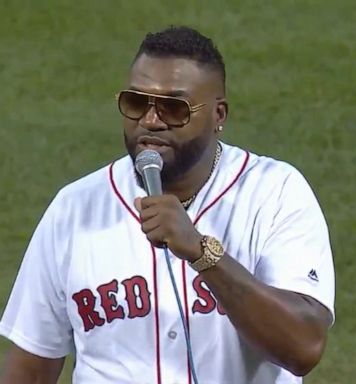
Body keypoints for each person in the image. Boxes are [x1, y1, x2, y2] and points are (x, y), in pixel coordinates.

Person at [0, 26, 335, 384]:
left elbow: (304, 347)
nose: (150, 120)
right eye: (136, 103)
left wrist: (203, 254)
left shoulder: (274, 193)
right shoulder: (75, 209)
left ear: (218, 115)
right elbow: (31, 368)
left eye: (174, 108)